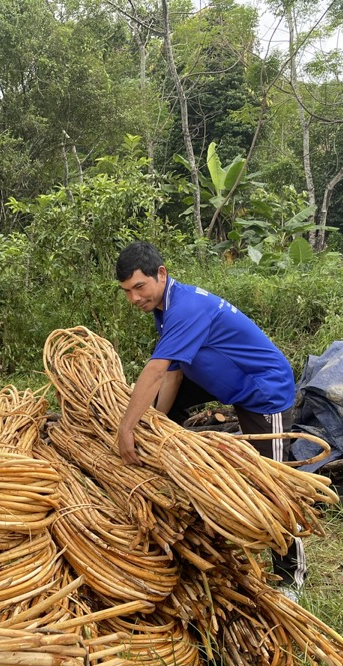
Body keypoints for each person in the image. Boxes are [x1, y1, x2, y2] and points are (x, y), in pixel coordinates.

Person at [114, 241, 305, 598]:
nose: (134, 298)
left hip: (264, 393)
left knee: (272, 486)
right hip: (224, 382)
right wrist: (155, 421)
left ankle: (290, 573)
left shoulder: (186, 308)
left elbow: (155, 370)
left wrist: (127, 428)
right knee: (162, 411)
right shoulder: (166, 306)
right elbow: (172, 373)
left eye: (139, 287)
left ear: (161, 274)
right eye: (127, 292)